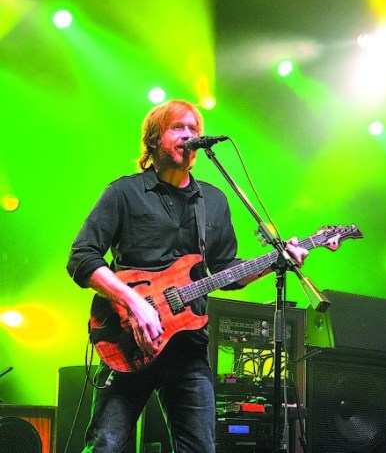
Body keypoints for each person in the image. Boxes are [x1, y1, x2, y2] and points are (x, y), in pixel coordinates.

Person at [67, 99, 308, 453]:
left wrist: (276, 261)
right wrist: (134, 304)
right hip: (126, 338)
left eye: (194, 129)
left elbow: (225, 271)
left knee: (199, 447)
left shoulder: (212, 201)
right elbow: (81, 257)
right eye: (178, 128)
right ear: (153, 139)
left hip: (187, 347)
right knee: (107, 444)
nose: (189, 135)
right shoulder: (124, 192)